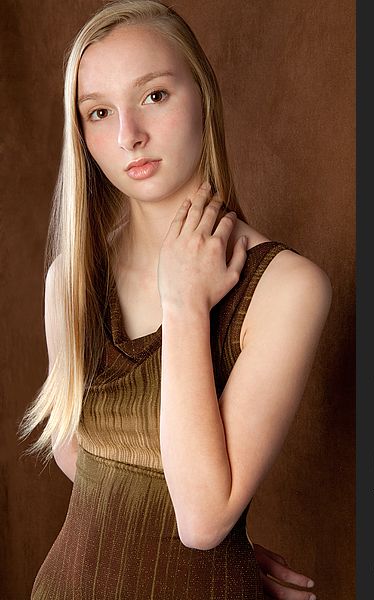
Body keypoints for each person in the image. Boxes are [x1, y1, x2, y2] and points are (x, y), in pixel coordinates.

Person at [19, 1, 331, 598]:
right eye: (99, 112)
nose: (127, 134)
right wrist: (177, 544)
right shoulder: (71, 278)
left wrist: (185, 303)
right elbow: (79, 459)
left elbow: (202, 521)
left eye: (154, 96)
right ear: (80, 134)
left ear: (203, 95)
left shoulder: (289, 289)